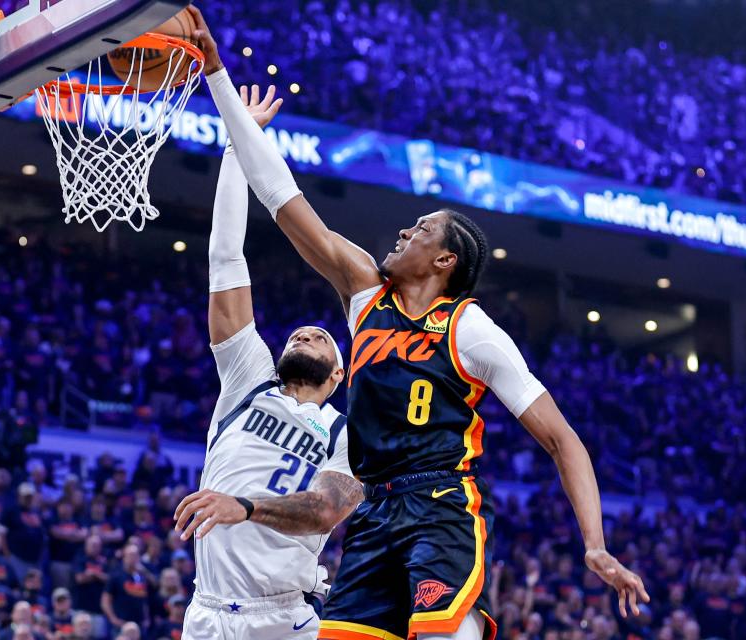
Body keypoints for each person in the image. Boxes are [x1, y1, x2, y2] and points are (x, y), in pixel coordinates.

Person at [187, 7, 651, 639]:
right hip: (374, 511)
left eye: (421, 229)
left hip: (439, 507)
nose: (405, 231)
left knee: (438, 633)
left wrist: (594, 545)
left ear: (444, 259)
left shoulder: (471, 330)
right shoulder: (363, 296)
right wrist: (216, 75)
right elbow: (281, 196)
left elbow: (562, 439)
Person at [168, 77, 362, 640]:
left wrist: (244, 506)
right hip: (206, 612)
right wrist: (236, 147)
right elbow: (226, 256)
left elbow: (326, 510)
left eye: (322, 337)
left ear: (339, 373)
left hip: (284, 618)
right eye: (300, 334)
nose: (307, 334)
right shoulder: (249, 381)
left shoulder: (346, 431)